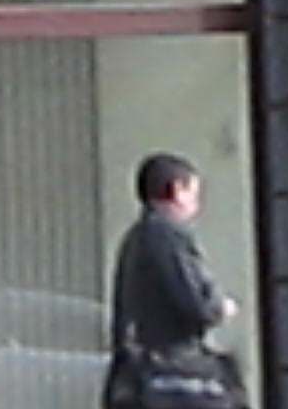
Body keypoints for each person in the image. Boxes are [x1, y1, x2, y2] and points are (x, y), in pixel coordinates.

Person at [104, 152, 240, 406]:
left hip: (140, 376)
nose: (197, 205)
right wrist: (221, 307)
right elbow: (196, 304)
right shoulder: (168, 236)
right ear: (177, 191)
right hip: (175, 374)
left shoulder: (135, 239)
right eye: (193, 193)